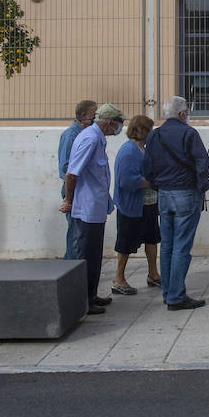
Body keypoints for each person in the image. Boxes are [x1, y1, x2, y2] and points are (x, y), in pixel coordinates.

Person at [142, 96, 209, 310]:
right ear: (182, 114)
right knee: (182, 245)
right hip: (185, 192)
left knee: (168, 245)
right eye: (187, 111)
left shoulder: (155, 135)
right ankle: (176, 296)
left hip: (164, 193)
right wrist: (201, 185)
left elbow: (147, 167)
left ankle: (168, 292)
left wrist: (158, 185)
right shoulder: (189, 134)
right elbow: (202, 162)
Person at [62, 103, 124, 314]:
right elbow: (71, 173)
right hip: (85, 209)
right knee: (84, 256)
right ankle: (82, 302)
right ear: (109, 122)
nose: (119, 128)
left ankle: (91, 295)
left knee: (94, 256)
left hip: (95, 208)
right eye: (118, 123)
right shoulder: (90, 139)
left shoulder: (97, 138)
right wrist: (69, 201)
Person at [111, 115, 159, 296]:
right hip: (132, 206)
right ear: (141, 131)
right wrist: (150, 181)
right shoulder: (128, 151)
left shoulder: (143, 149)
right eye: (149, 130)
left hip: (149, 203)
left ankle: (153, 273)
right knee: (126, 242)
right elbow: (127, 180)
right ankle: (118, 279)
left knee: (152, 238)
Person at [58, 100, 98, 260]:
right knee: (77, 235)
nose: (96, 117)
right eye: (94, 114)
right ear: (83, 116)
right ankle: (70, 272)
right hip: (74, 187)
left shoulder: (88, 134)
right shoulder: (71, 135)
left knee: (83, 237)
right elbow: (66, 167)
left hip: (84, 188)